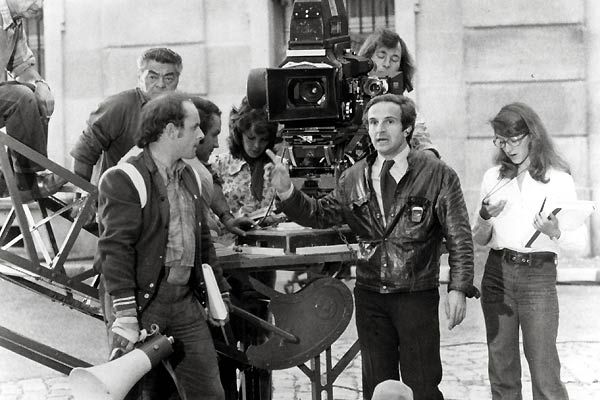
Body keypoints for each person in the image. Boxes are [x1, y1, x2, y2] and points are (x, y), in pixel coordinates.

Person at [267, 93, 479, 400]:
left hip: (415, 293)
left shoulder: (436, 174)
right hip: (370, 295)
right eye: (373, 122)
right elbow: (319, 214)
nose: (380, 129)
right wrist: (287, 191)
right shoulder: (353, 178)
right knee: (377, 387)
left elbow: (459, 235)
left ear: (407, 128)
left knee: (422, 383)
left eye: (389, 121)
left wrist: (458, 288)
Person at [96, 91, 229, 400]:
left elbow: (203, 243)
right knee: (137, 393)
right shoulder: (124, 177)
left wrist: (217, 294)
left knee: (209, 392)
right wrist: (126, 316)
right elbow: (115, 249)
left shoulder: (190, 177)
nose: (200, 135)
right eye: (195, 127)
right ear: (171, 130)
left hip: (184, 304)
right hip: (142, 305)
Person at [472, 103, 581, 400]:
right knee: (502, 373)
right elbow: (480, 238)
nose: (507, 147)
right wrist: (484, 217)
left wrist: (554, 231)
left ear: (532, 134)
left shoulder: (558, 178)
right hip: (497, 275)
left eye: (514, 139)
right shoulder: (493, 178)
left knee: (545, 375)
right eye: (501, 140)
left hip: (538, 277)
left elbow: (576, 243)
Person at [210, 96, 280, 400]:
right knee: (224, 327)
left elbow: (283, 206)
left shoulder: (275, 166)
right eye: (250, 137)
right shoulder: (221, 164)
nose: (255, 145)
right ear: (239, 134)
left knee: (258, 327)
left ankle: (259, 392)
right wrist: (224, 220)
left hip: (262, 256)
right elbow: (208, 203)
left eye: (262, 138)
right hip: (226, 256)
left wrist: (268, 219)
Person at [71, 47, 182, 184]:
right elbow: (83, 154)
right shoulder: (119, 106)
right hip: (120, 197)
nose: (161, 84)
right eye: (152, 77)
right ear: (139, 77)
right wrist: (86, 197)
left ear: (178, 79)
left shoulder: (185, 110)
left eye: (168, 78)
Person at [0, 0, 66, 200]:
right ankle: (27, 179)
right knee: (21, 97)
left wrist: (40, 84)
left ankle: (29, 177)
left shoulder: (15, 22)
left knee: (35, 96)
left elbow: (21, 66)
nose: (40, 4)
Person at [357, 27, 439, 157]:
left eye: (394, 59)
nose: (387, 64)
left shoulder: (403, 104)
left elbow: (421, 140)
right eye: (381, 56)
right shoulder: (350, 98)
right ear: (367, 58)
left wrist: (429, 156)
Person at [185, 97, 255, 238]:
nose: (217, 144)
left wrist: (227, 219)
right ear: (197, 133)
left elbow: (211, 182)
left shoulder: (199, 166)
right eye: (214, 135)